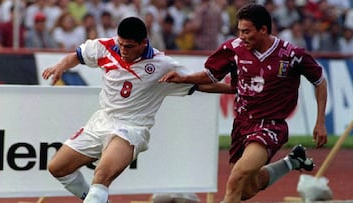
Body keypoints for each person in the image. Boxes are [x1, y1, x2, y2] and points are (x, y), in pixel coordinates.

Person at [42, 16, 234, 203]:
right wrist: (60, 66)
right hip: (101, 121)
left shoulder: (162, 65)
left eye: (129, 46)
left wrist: (237, 89)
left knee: (101, 175)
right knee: (57, 167)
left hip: (131, 129)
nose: (123, 50)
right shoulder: (105, 47)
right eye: (121, 44)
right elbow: (77, 56)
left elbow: (199, 84)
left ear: (144, 43)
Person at [159, 3, 328, 203]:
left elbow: (319, 81)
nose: (241, 36)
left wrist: (320, 122)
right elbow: (211, 77)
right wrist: (183, 80)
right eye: (239, 30)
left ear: (263, 30)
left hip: (270, 125)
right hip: (241, 126)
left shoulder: (291, 54)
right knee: (246, 188)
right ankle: (292, 162)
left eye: (246, 31)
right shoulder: (233, 49)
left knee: (237, 177)